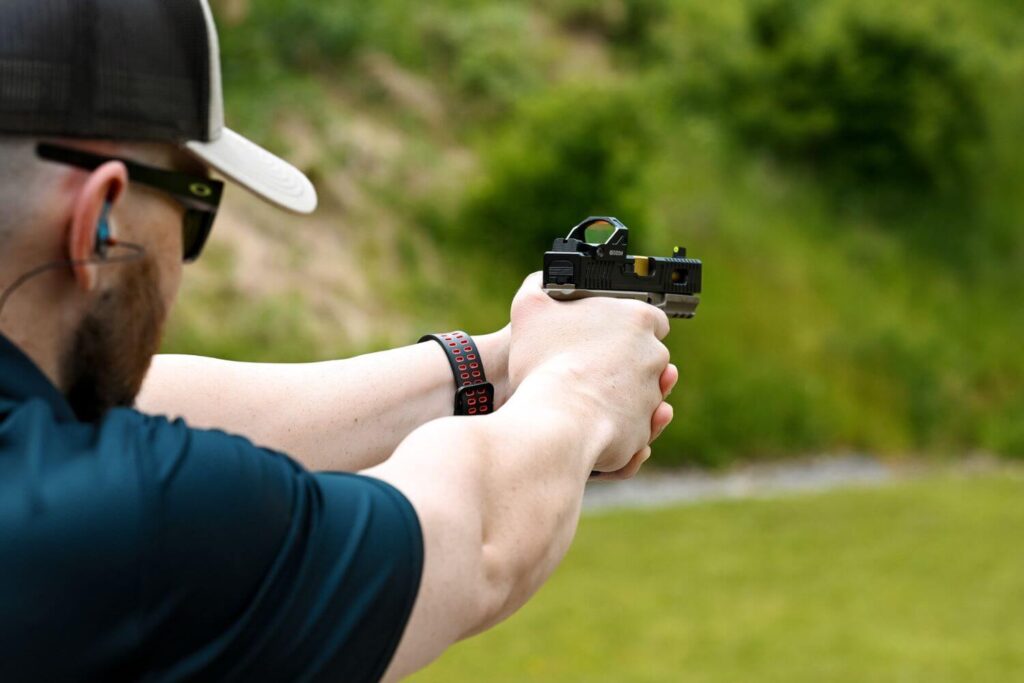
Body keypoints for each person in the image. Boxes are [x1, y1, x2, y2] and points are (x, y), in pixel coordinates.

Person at [0, 1, 677, 681]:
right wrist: (583, 389)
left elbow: (141, 408)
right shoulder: (126, 517)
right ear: (100, 221)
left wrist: (496, 366)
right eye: (193, 211)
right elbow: (475, 544)